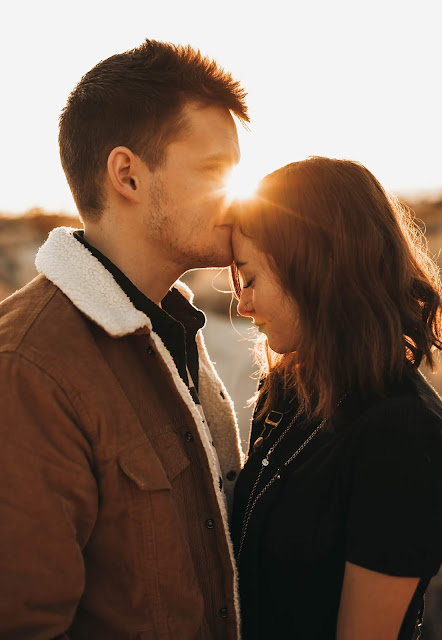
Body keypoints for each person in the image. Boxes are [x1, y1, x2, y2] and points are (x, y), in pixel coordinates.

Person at [0, 40, 248, 639]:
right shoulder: (27, 368)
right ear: (128, 174)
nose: (239, 196)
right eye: (215, 171)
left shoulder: (171, 325)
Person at [229, 157, 442, 640]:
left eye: (250, 279)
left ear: (312, 270)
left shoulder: (402, 433)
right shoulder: (289, 393)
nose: (242, 304)